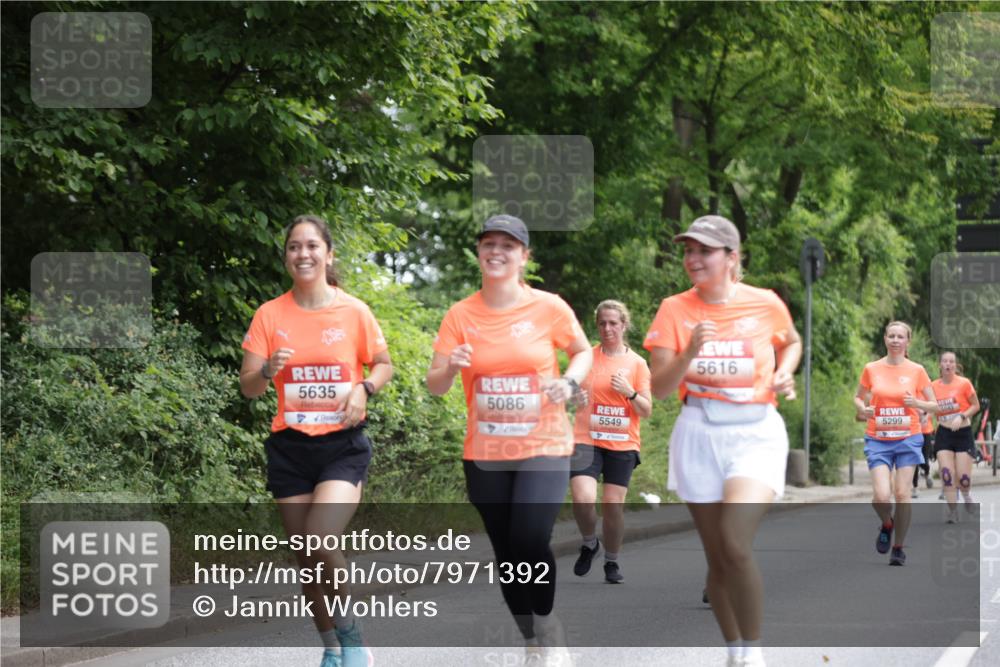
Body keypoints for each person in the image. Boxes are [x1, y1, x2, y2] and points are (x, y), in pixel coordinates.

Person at [427, 214, 591, 667]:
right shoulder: (460, 314)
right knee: (506, 551)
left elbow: (581, 351)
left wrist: (571, 382)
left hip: (545, 443)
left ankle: (548, 623)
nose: (496, 251)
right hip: (485, 452)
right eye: (488, 243)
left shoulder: (549, 307)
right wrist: (451, 366)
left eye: (508, 245)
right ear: (478, 252)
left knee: (529, 536)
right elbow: (436, 384)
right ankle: (532, 641)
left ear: (524, 256)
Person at [645, 215, 801, 667]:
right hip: (698, 433)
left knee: (735, 544)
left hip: (755, 432)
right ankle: (734, 650)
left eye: (704, 251)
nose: (693, 259)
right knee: (718, 560)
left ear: (732, 258)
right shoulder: (674, 309)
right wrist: (690, 351)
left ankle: (753, 654)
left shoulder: (765, 303)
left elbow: (790, 341)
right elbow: (657, 387)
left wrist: (785, 370)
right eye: (689, 250)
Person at [240, 214, 392, 667]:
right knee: (305, 557)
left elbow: (383, 364)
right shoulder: (270, 314)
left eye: (311, 246)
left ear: (328, 254)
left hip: (341, 447)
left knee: (320, 538)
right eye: (293, 247)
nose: (302, 254)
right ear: (286, 256)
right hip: (290, 448)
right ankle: (330, 647)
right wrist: (267, 370)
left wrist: (364, 389)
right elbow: (249, 386)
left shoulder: (354, 311)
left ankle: (353, 640)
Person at [569, 300, 652, 584]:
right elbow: (569, 392)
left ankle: (612, 562)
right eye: (602, 323)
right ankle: (590, 543)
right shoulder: (585, 358)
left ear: (624, 325)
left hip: (622, 443)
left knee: (612, 506)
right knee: (582, 499)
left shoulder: (637, 363)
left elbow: (646, 409)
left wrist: (629, 392)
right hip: (586, 439)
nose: (607, 328)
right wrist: (574, 398)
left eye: (613, 323)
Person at [854, 321, 937, 567]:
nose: (895, 340)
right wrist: (864, 409)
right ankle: (887, 523)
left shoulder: (917, 370)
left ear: (907, 342)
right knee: (881, 496)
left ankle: (898, 547)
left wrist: (918, 404)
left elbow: (934, 404)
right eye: (891, 336)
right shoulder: (872, 368)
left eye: (900, 337)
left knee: (902, 494)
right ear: (885, 339)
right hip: (878, 438)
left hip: (908, 438)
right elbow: (858, 397)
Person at [931, 351, 980, 523]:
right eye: (944, 361)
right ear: (940, 365)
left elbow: (976, 405)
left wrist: (962, 416)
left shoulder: (964, 384)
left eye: (951, 361)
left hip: (963, 433)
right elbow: (928, 406)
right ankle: (952, 511)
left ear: (955, 365)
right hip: (943, 433)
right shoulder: (933, 386)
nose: (948, 364)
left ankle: (966, 494)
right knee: (946, 474)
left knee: (964, 478)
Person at [911, 410, 934, 499]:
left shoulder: (927, 396)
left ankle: (927, 473)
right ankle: (915, 487)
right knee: (915, 459)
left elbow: (933, 409)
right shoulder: (910, 395)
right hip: (913, 432)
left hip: (926, 431)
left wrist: (926, 417)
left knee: (925, 459)